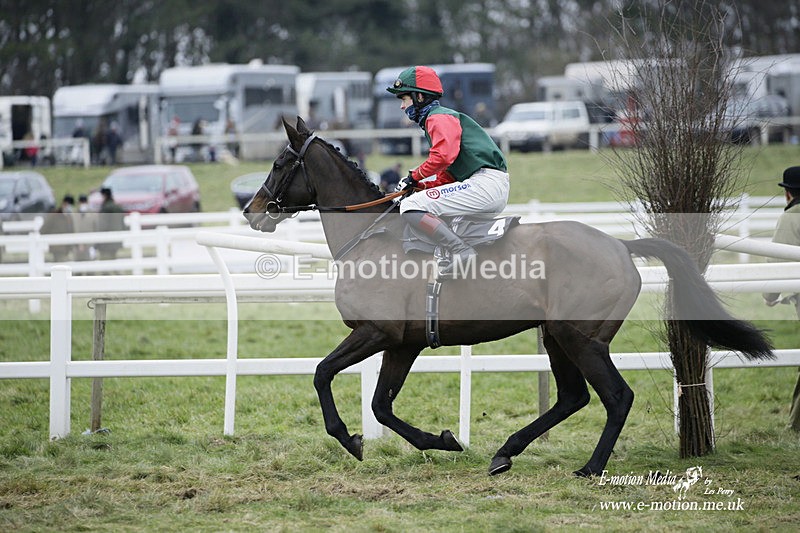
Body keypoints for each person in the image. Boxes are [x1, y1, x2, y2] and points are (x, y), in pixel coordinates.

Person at [386, 65, 509, 278]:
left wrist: (413, 176)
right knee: (418, 199)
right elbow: (449, 175)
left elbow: (443, 156)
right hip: (482, 183)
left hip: (484, 185)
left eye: (404, 99)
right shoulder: (438, 119)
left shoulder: (438, 117)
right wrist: (421, 186)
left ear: (419, 97)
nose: (401, 106)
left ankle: (460, 250)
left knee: (410, 205)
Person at [763, 166, 800, 432]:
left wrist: (771, 295)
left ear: (788, 194)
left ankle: (797, 424)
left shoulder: (790, 219)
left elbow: (777, 260)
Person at [96, 187, 126, 260]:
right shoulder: (118, 207)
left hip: (107, 239)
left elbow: (102, 224)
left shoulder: (105, 208)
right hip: (117, 237)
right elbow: (123, 224)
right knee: (113, 257)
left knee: (105, 258)